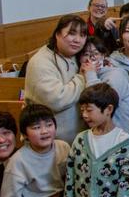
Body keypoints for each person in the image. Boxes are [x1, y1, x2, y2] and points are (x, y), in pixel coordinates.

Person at [25, 15, 95, 143]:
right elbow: (57, 99)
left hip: (77, 140)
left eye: (82, 35)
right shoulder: (40, 62)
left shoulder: (74, 56)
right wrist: (81, 77)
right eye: (72, 34)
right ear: (57, 34)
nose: (77, 40)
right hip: (52, 143)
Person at [79, 37, 129, 135]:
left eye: (96, 53)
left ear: (103, 56)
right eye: (86, 54)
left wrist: (90, 74)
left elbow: (101, 103)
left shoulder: (116, 74)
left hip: (124, 138)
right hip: (103, 135)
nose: (91, 58)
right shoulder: (85, 75)